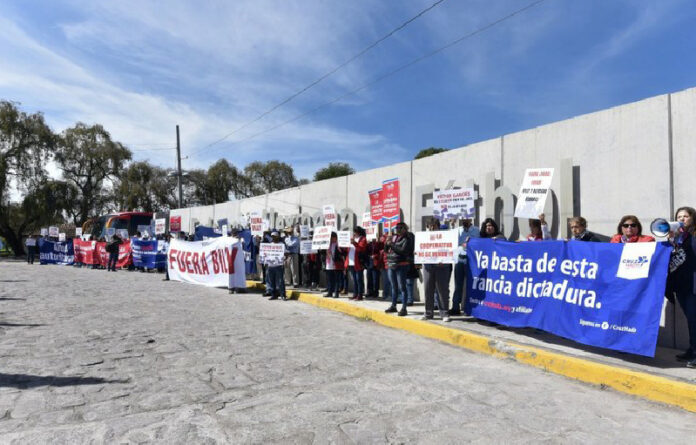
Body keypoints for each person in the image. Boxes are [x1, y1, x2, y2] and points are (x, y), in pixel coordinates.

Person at [665, 206, 696, 368]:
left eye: (686, 216)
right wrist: (672, 240)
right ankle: (692, 349)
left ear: (692, 219)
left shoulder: (692, 236)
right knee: (691, 320)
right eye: (679, 216)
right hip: (682, 285)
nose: (682, 219)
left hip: (693, 285)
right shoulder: (679, 237)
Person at [421, 219, 453, 322]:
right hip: (428, 266)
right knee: (428, 289)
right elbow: (420, 249)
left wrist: (445, 258)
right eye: (430, 226)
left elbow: (450, 248)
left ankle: (444, 313)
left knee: (442, 290)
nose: (431, 228)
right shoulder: (424, 237)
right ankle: (428, 313)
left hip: (442, 266)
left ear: (438, 226)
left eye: (434, 226)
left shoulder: (445, 236)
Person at [451, 216, 480, 316]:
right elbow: (449, 239)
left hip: (471, 260)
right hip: (459, 259)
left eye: (466, 218)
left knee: (470, 284)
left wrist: (471, 240)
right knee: (458, 284)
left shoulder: (476, 230)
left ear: (471, 219)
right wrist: (452, 224)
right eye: (462, 218)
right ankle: (455, 307)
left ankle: (469, 308)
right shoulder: (458, 230)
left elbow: (480, 243)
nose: (464, 220)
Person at [384, 222, 414, 316]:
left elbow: (403, 251)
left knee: (402, 287)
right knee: (394, 286)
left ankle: (404, 308)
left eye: (400, 228)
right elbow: (386, 250)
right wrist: (386, 243)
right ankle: (393, 305)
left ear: (405, 228)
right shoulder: (393, 237)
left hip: (402, 265)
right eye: (397, 228)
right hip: (391, 264)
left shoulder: (408, 238)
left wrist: (392, 244)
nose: (398, 229)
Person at [322, 232, 345, 298]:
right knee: (329, 279)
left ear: (335, 237)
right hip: (329, 263)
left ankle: (336, 293)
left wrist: (339, 248)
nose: (331, 239)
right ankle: (330, 292)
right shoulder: (329, 244)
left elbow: (342, 253)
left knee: (336, 279)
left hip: (336, 263)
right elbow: (324, 252)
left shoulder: (339, 244)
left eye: (332, 238)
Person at [265, 231, 286, 300]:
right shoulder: (270, 245)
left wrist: (284, 257)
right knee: (272, 281)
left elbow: (286, 253)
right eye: (272, 236)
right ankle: (274, 294)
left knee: (280, 281)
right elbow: (266, 254)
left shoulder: (281, 245)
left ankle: (282, 294)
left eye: (275, 236)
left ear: (278, 237)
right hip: (271, 266)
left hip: (279, 265)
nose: (273, 238)